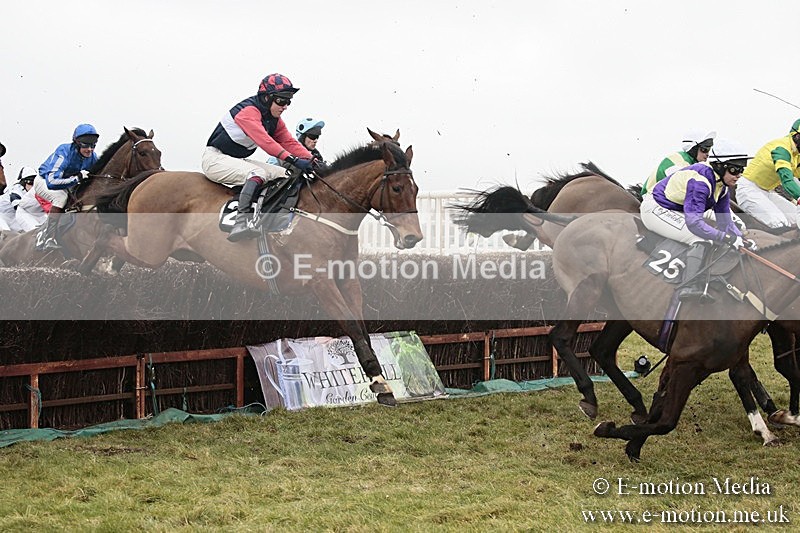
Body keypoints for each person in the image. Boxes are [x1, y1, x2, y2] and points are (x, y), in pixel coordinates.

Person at [202, 73, 318, 242]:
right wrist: (293, 160)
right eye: (281, 101)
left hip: (236, 160)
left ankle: (265, 217)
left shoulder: (274, 120)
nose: (285, 106)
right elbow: (265, 142)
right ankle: (240, 222)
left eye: (288, 102)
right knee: (257, 173)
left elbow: (289, 142)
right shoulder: (248, 112)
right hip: (215, 159)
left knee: (284, 175)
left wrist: (313, 160)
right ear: (266, 98)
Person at [640, 142, 753, 301]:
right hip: (655, 209)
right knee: (702, 238)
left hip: (675, 209)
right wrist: (727, 238)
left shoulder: (722, 187)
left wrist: (741, 238)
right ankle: (688, 286)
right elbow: (695, 224)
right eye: (734, 170)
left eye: (742, 170)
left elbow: (725, 223)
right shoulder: (701, 182)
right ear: (720, 167)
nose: (739, 175)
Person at [34, 124, 100, 250]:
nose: (90, 149)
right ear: (77, 143)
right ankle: (48, 237)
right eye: (85, 145)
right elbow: (52, 182)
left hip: (67, 184)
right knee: (61, 198)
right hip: (44, 180)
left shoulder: (93, 157)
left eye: (93, 145)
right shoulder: (64, 151)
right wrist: (77, 178)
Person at [735, 118, 800, 229]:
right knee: (780, 224)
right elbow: (786, 180)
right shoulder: (782, 148)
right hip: (749, 190)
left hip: (768, 193)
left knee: (796, 219)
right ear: (797, 136)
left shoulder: (797, 154)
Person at [641, 131, 716, 196]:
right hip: (649, 198)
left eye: (709, 150)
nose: (707, 154)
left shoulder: (691, 162)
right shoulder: (679, 162)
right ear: (693, 148)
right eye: (704, 149)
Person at [0, 167, 36, 232]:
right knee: (6, 236)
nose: (33, 187)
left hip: (12, 218)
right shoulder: (16, 189)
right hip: (2, 218)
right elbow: (17, 205)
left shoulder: (32, 193)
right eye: (31, 182)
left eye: (35, 183)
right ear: (23, 182)